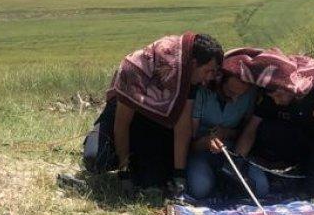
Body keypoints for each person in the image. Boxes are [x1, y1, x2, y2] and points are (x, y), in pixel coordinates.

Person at [226, 47, 314, 199]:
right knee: (267, 131)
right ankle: (294, 166)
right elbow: (251, 129)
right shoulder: (272, 92)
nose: (277, 101)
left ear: (289, 84)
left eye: (279, 96)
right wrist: (236, 164)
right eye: (273, 97)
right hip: (305, 137)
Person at [89, 33, 223, 194]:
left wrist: (179, 174)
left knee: (154, 181)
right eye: (208, 70)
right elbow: (122, 124)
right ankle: (121, 162)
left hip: (153, 125)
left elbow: (182, 127)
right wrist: (124, 173)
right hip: (124, 121)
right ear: (194, 64)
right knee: (96, 157)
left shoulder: (187, 77)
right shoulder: (134, 71)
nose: (209, 78)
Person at [185, 69, 268, 200]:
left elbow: (246, 132)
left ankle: (225, 181)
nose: (235, 99)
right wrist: (206, 142)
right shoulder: (201, 92)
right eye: (230, 92)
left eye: (241, 95)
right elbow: (189, 143)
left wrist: (227, 133)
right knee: (200, 188)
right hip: (201, 152)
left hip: (233, 151)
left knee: (261, 187)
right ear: (219, 80)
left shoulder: (250, 93)